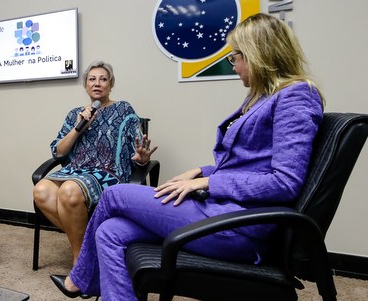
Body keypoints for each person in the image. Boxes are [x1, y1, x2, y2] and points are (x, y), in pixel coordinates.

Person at [50, 13, 325, 300]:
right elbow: (246, 164)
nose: (235, 66)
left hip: (238, 228)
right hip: (222, 211)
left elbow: (285, 182)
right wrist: (200, 170)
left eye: (236, 57)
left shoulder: (296, 95)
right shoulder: (262, 97)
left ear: (259, 54)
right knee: (110, 231)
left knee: (114, 196)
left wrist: (206, 183)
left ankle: (79, 280)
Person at [33, 60, 158, 266]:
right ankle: (88, 251)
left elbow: (138, 150)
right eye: (92, 79)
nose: (97, 83)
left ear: (111, 84)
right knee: (41, 190)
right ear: (85, 85)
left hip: (108, 172)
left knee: (69, 191)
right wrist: (78, 128)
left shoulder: (123, 109)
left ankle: (79, 262)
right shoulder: (75, 114)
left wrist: (142, 159)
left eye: (103, 79)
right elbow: (59, 151)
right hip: (74, 170)